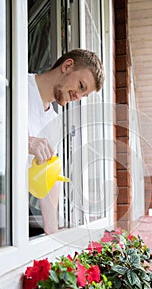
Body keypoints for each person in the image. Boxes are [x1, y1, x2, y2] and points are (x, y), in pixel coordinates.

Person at [28, 48, 105, 234]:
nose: (77, 97)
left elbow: (49, 177)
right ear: (67, 66)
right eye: (80, 86)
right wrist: (25, 143)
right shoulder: (15, 86)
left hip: (12, 222)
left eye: (83, 95)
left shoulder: (54, 122)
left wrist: (52, 230)